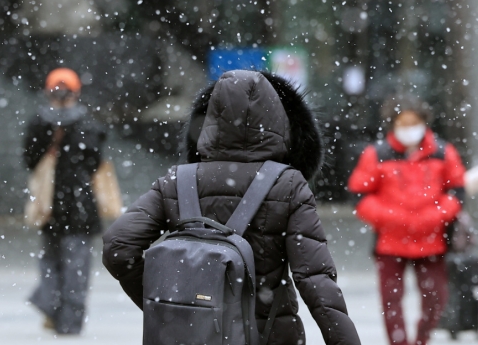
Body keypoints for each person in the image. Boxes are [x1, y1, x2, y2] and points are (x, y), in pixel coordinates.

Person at [103, 70, 361, 345]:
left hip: (189, 337)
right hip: (266, 335)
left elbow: (118, 247)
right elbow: (315, 279)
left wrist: (172, 306)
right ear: (279, 122)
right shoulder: (288, 185)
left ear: (211, 119)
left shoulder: (178, 181)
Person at [348, 95, 465, 345]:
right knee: (391, 301)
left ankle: (422, 339)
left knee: (435, 298)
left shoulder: (443, 153)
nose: (409, 128)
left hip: (432, 240)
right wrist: (390, 218)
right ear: (393, 125)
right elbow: (359, 194)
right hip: (390, 242)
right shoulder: (377, 154)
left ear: (424, 122)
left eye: (414, 122)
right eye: (403, 123)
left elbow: (457, 190)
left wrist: (435, 216)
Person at [24, 67, 106, 334]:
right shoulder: (88, 124)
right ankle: (70, 321)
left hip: (50, 205)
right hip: (80, 203)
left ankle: (49, 304)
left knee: (50, 261)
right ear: (76, 92)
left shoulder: (39, 122)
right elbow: (94, 161)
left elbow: (29, 159)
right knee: (77, 267)